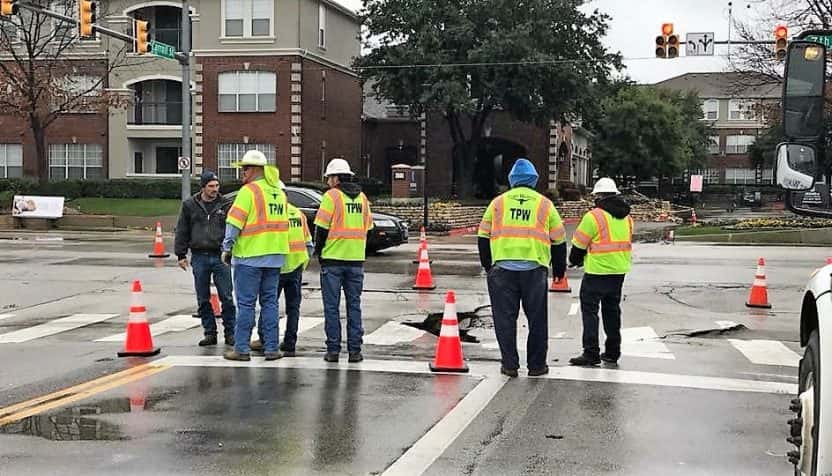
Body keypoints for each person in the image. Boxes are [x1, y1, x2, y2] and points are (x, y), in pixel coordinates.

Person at [477, 158, 567, 378]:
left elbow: (482, 236)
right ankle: (537, 366)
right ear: (534, 180)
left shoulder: (498, 203)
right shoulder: (545, 204)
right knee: (537, 320)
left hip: (502, 270)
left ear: (511, 180)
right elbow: (559, 240)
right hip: (534, 270)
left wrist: (488, 265)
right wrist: (559, 271)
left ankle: (509, 365)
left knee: (505, 319)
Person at [221, 150, 290, 362]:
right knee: (270, 303)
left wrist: (227, 247)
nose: (243, 172)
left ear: (257, 170)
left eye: (246, 168)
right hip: (275, 257)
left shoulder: (248, 191)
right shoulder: (279, 192)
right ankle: (271, 348)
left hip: (250, 257)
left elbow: (234, 223)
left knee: (246, 304)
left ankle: (241, 348)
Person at [568, 177, 633, 367]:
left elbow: (579, 244)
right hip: (619, 271)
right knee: (612, 311)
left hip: (597, 272)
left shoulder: (594, 216)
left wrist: (574, 261)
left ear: (598, 196)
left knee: (590, 312)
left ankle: (591, 353)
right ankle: (613, 352)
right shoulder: (627, 217)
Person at [314, 158, 373, 363]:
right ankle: (355, 351)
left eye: (329, 177)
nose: (328, 181)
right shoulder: (363, 198)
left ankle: (333, 350)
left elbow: (321, 228)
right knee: (354, 306)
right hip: (356, 260)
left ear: (336, 177)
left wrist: (319, 252)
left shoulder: (332, 196)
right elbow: (368, 228)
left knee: (332, 307)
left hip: (333, 259)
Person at [174, 170, 236, 347]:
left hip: (220, 256)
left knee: (227, 297)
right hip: (200, 256)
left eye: (216, 186)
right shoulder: (190, 206)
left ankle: (230, 333)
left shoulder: (226, 205)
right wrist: (181, 254)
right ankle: (210, 333)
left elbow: (233, 228)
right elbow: (182, 230)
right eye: (211, 186)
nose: (215, 189)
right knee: (203, 298)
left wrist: (231, 249)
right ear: (203, 187)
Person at [250, 183, 313, 357]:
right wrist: (302, 263)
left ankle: (264, 339)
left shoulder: (273, 214)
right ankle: (290, 342)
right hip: (296, 267)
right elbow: (308, 243)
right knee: (293, 308)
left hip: (275, 266)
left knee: (269, 304)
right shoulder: (298, 213)